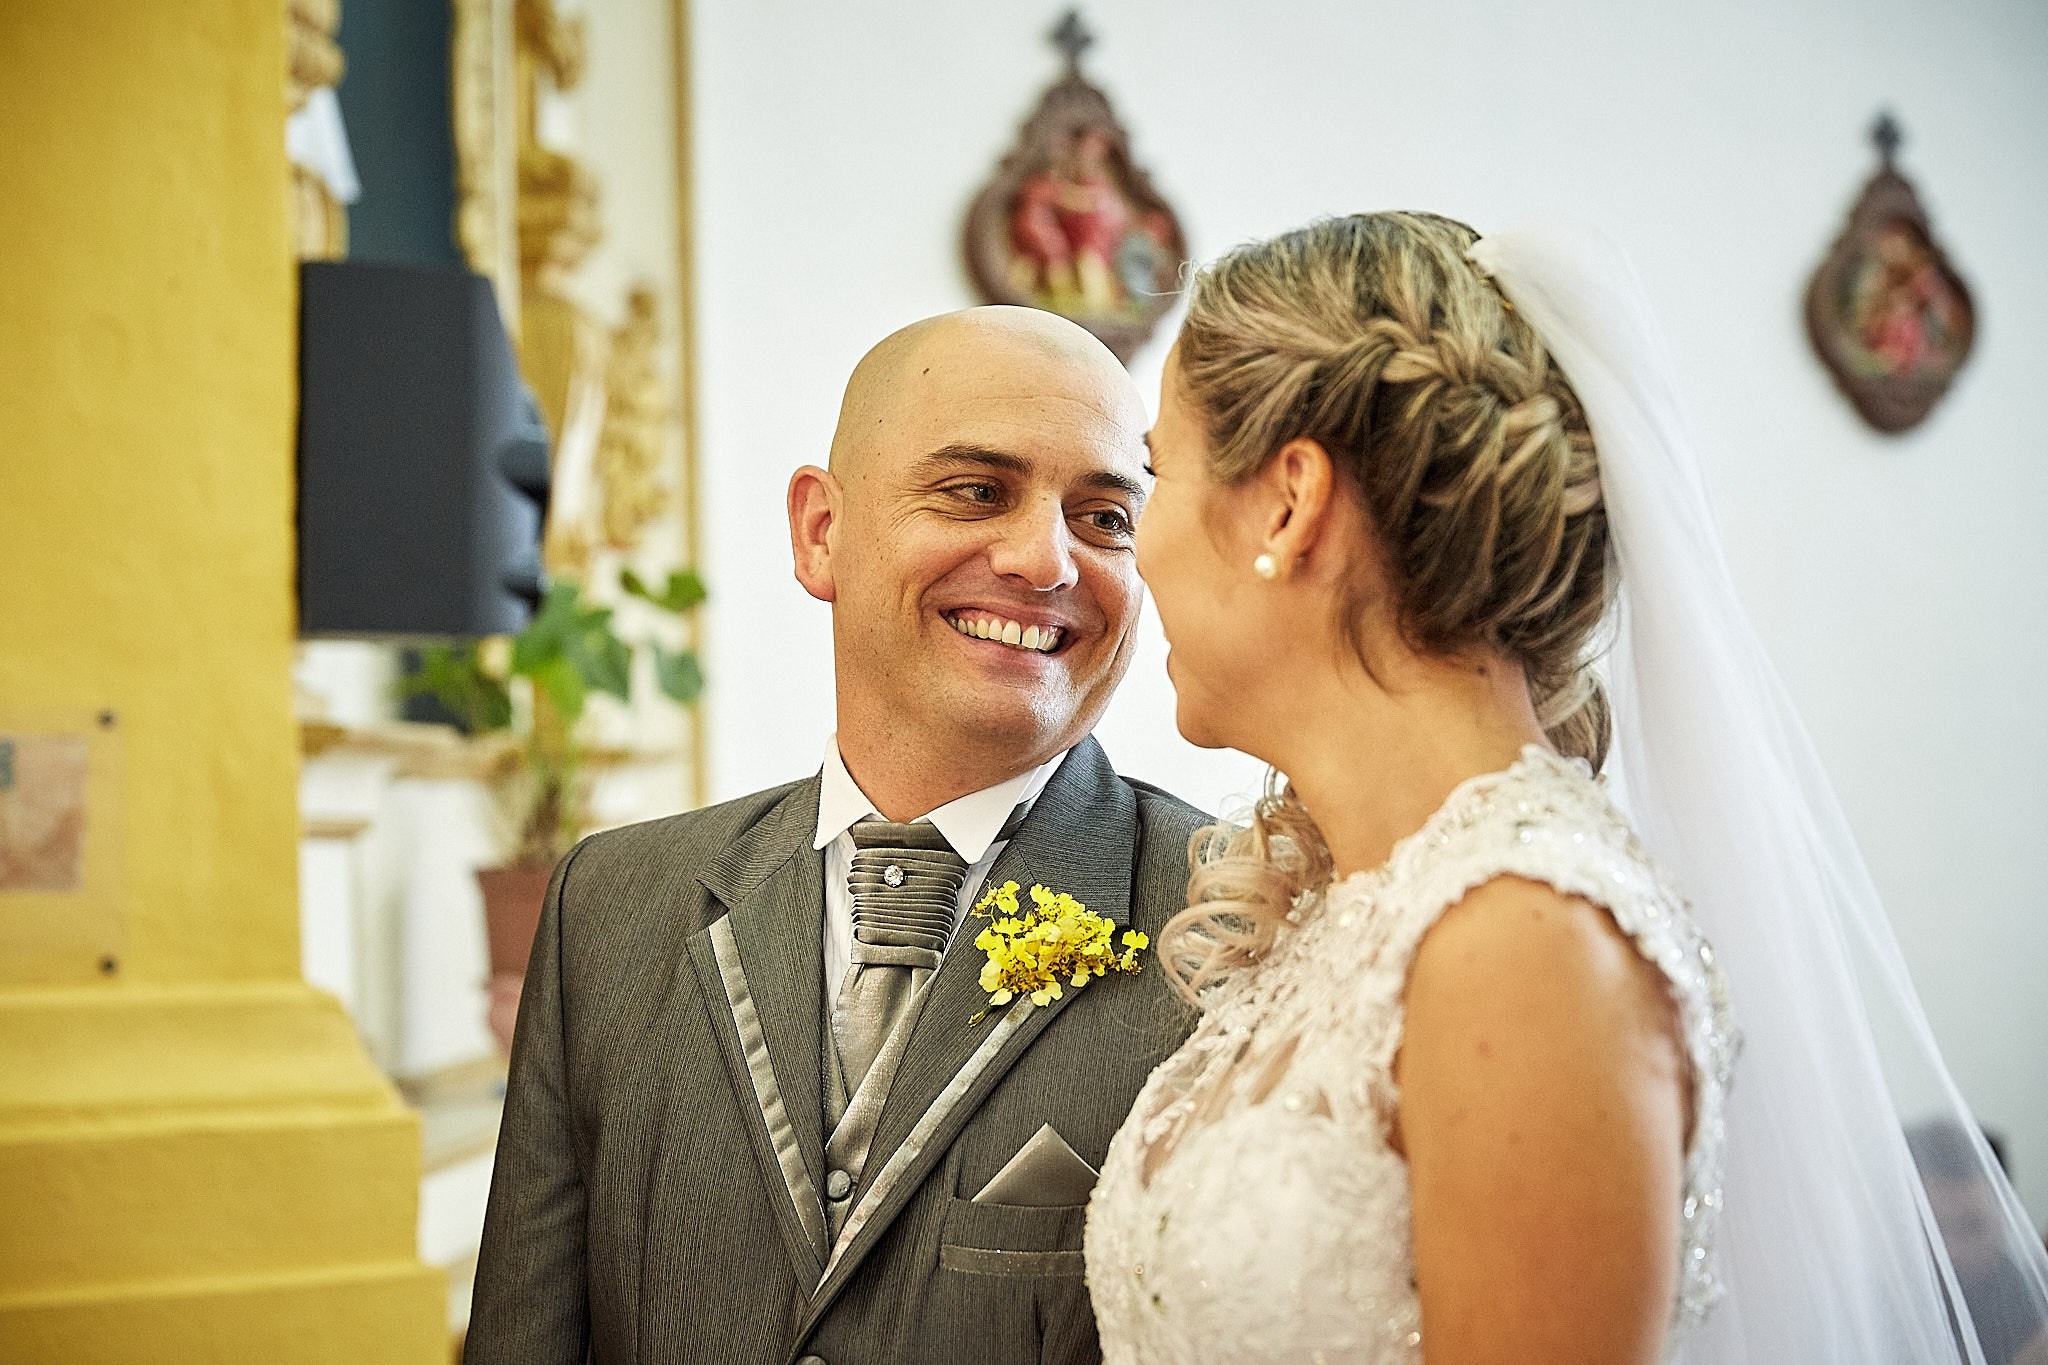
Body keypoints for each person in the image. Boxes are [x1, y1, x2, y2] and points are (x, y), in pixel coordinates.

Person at [1083, 212, 2048, 1363]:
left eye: (1156, 473)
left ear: (1289, 502)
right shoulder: (1355, 909)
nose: (1134, 550)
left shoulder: (1526, 941)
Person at [466, 306, 1208, 1365]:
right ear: (821, 532)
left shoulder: (1231, 922)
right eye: (975, 491)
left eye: (1103, 518)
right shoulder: (609, 904)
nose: (1045, 560)